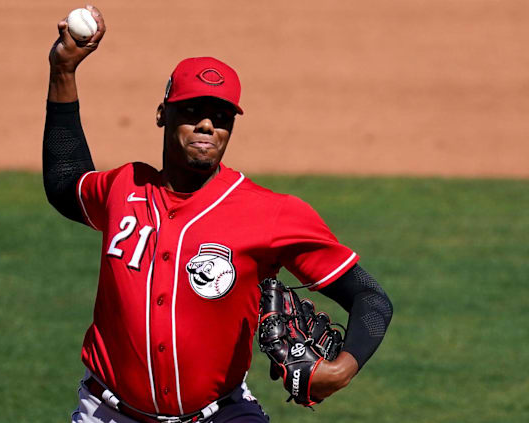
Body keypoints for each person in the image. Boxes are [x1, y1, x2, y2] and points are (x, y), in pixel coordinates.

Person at [43, 6, 393, 423]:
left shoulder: (270, 213)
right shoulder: (125, 187)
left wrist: (341, 370)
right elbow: (66, 182)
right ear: (162, 114)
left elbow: (370, 297)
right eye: (192, 111)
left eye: (221, 117)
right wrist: (63, 71)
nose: (208, 125)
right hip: (108, 412)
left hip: (218, 415)